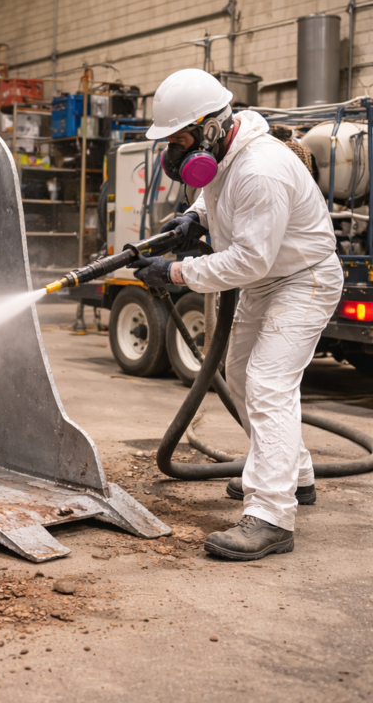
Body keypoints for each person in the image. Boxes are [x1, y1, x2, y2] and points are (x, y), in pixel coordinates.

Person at [133, 68, 343, 561]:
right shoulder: (229, 153)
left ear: (210, 127)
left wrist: (176, 271)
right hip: (265, 282)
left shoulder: (261, 168)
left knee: (269, 383)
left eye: (181, 139)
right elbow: (217, 196)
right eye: (171, 142)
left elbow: (250, 259)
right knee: (242, 377)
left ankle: (271, 515)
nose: (176, 153)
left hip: (302, 279)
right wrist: (194, 217)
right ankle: (297, 475)